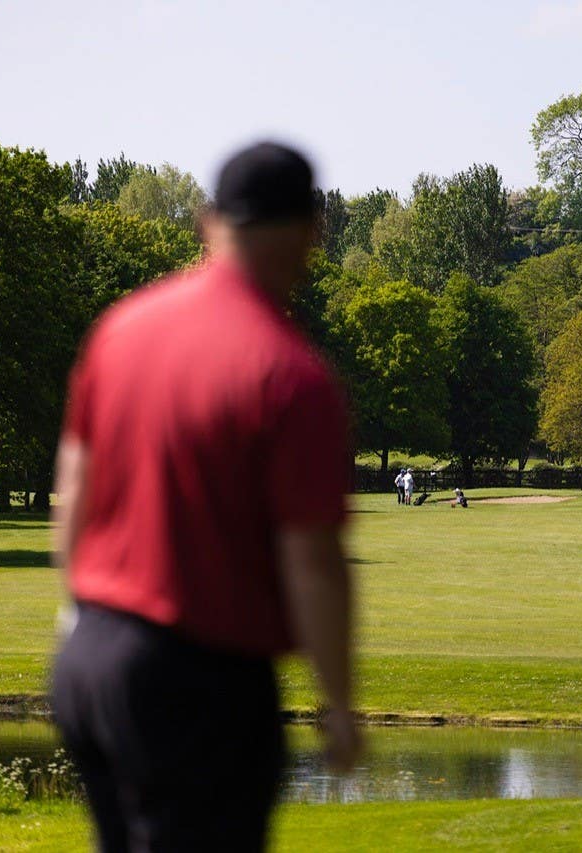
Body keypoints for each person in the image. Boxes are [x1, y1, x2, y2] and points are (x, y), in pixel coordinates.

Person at [51, 142, 359, 853]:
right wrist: (339, 703)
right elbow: (311, 558)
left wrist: (80, 616)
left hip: (88, 660)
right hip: (195, 680)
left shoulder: (121, 327)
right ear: (313, 229)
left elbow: (73, 488)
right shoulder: (288, 371)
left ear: (208, 221)